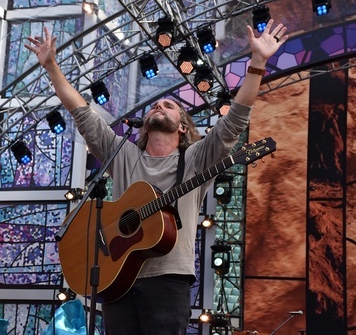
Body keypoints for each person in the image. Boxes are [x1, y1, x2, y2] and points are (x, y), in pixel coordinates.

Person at [25, 19, 288, 334]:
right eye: (155, 105)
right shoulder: (124, 154)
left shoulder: (195, 158)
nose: (159, 106)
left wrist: (257, 62)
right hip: (115, 277)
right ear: (146, 124)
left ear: (181, 127)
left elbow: (235, 120)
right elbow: (82, 113)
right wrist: (52, 66)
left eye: (170, 105)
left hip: (168, 281)